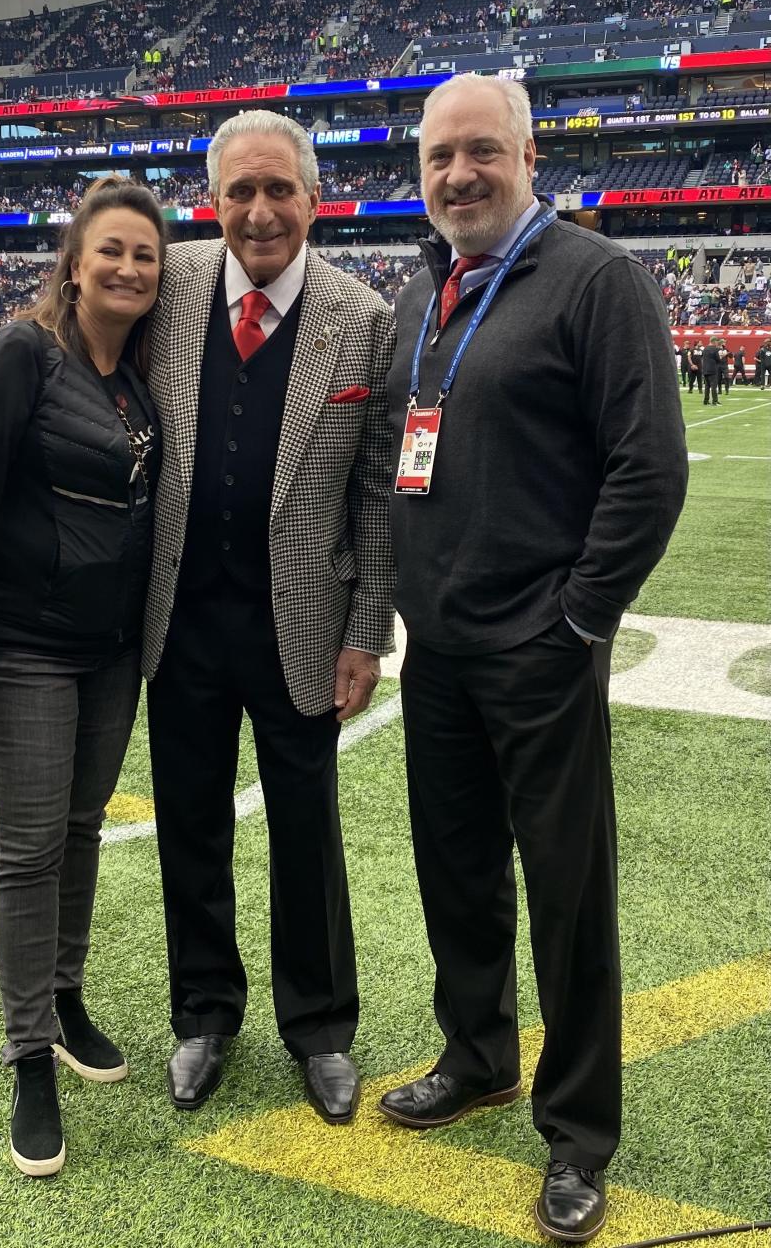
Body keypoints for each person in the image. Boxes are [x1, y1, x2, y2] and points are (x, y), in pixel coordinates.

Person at [381, 73, 687, 1242]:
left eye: (480, 153)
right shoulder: (425, 286)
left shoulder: (598, 279)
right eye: (439, 158)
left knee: (567, 896)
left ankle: (577, 1132)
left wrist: (577, 620)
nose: (459, 174)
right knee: (456, 869)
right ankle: (479, 1054)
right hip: (441, 651)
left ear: (525, 155)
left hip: (541, 652)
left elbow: (648, 468)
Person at [143, 109, 395, 1126]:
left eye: (277, 189)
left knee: (306, 830)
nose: (258, 211)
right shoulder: (171, 285)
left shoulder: (362, 317)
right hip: (181, 616)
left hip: (300, 618)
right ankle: (204, 1010)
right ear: (214, 200)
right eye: (239, 191)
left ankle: (321, 1024)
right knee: (189, 826)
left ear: (313, 198)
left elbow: (375, 493)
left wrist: (367, 630)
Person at [0, 177, 165, 1178]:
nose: (127, 267)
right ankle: (30, 1054)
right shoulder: (22, 354)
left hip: (111, 654)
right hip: (23, 646)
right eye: (110, 249)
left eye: (145, 256)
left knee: (79, 827)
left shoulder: (134, 381)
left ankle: (65, 995)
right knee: (27, 849)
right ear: (74, 262)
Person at [701, 335, 722, 405]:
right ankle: (714, 401)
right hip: (712, 369)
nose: (717, 343)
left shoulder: (705, 348)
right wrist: (721, 357)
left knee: (707, 386)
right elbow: (718, 360)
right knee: (713, 386)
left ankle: (706, 401)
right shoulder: (715, 349)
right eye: (717, 342)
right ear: (714, 341)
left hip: (705, 369)